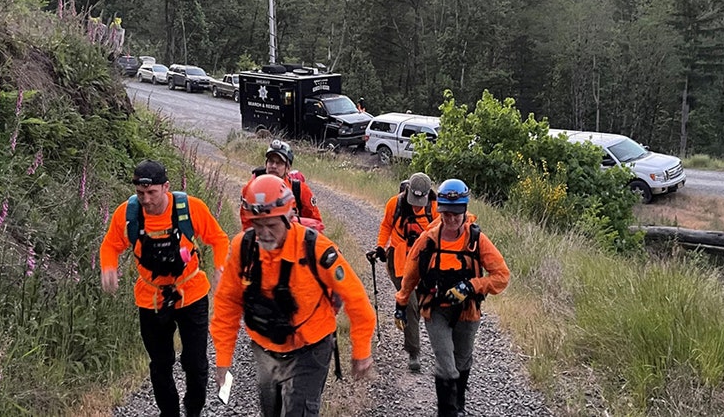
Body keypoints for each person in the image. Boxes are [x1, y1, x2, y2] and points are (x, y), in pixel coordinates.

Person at [211, 174, 376, 417]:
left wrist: (361, 351)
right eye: (258, 224)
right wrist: (223, 360)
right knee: (272, 411)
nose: (265, 233)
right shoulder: (242, 248)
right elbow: (227, 305)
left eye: (272, 225)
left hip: (310, 348)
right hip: (265, 348)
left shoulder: (317, 250)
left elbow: (356, 299)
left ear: (289, 218)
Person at [100, 160, 231, 417]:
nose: (146, 200)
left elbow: (219, 239)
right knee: (160, 364)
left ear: (166, 187)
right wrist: (108, 267)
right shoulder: (129, 214)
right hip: (151, 298)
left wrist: (220, 268)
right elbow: (110, 245)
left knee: (195, 363)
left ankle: (193, 410)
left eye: (152, 193)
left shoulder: (189, 208)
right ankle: (169, 413)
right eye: (140, 193)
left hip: (191, 292)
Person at [395, 178, 510, 417]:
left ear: (465, 211)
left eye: (456, 214)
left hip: (468, 311)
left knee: (462, 361)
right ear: (440, 212)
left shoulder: (476, 240)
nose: (451, 219)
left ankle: (458, 402)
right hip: (435, 309)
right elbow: (411, 272)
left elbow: (501, 276)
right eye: (446, 214)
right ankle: (447, 412)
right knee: (447, 366)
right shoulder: (428, 240)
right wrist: (402, 303)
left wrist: (472, 285)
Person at [370, 172, 437, 372]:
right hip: (399, 259)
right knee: (410, 303)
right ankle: (413, 352)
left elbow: (441, 233)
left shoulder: (434, 207)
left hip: (425, 261)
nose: (416, 204)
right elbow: (386, 226)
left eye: (420, 200)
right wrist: (381, 247)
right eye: (413, 200)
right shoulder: (395, 204)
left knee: (427, 303)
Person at [241, 139, 325, 232]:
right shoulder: (252, 188)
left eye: (279, 163)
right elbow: (246, 222)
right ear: (266, 164)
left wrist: (291, 222)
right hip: (263, 241)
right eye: (271, 161)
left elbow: (317, 225)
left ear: (288, 168)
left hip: (293, 242)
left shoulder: (299, 189)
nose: (273, 166)